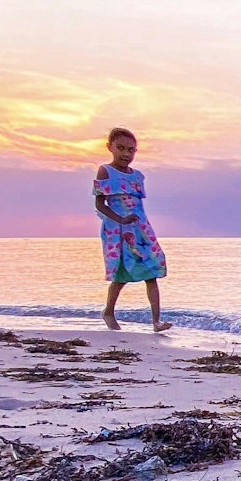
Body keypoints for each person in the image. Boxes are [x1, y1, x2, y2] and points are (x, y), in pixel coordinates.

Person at [93, 127, 172, 332]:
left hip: (141, 230)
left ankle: (156, 322)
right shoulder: (105, 171)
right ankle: (108, 311)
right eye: (121, 148)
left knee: (152, 272)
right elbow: (100, 205)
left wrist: (138, 226)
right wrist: (121, 219)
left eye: (131, 150)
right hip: (118, 230)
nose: (126, 154)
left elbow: (137, 206)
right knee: (121, 277)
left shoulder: (138, 176)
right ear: (110, 147)